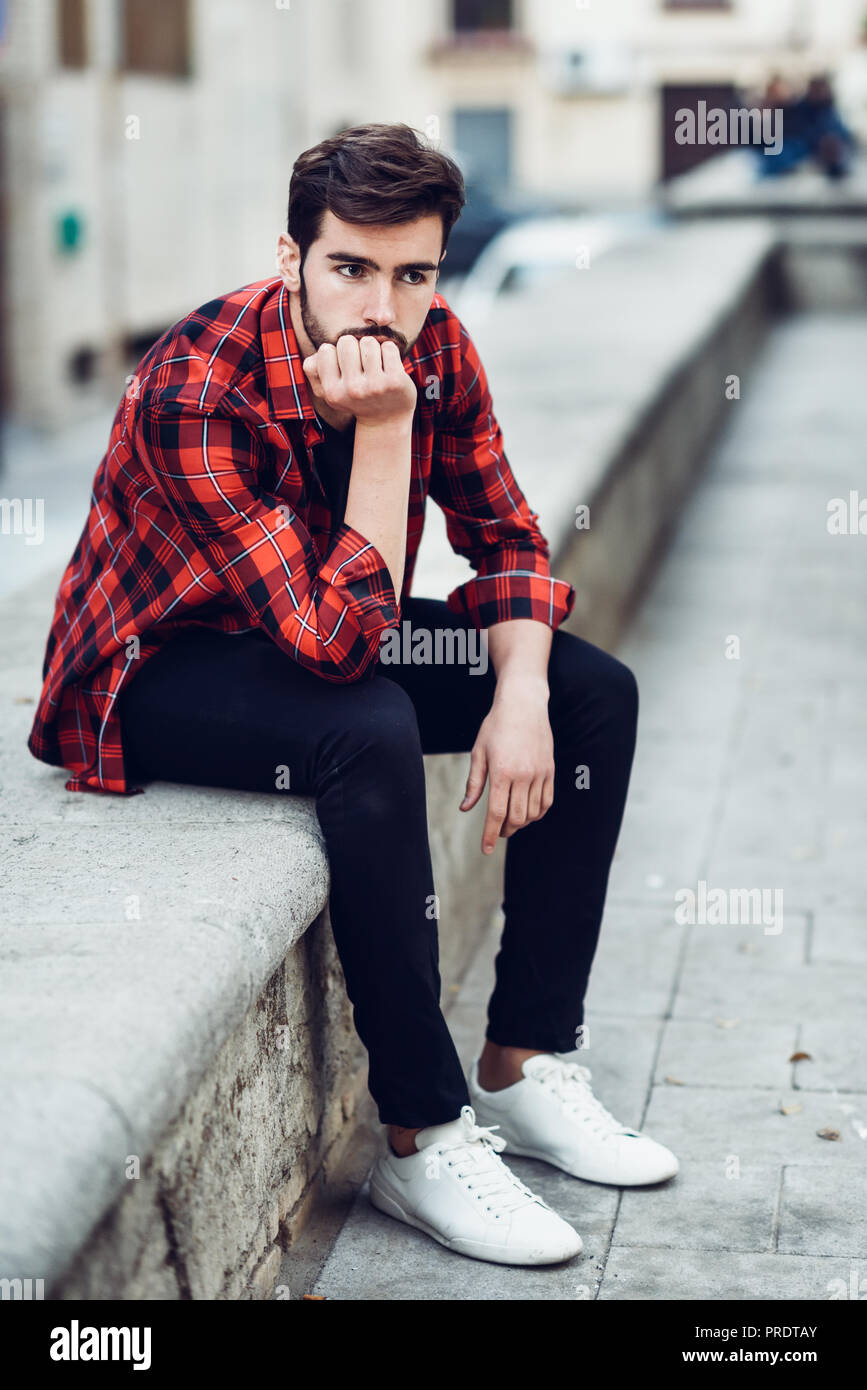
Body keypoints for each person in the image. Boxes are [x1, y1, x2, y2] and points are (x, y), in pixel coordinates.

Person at [28, 123, 678, 1268]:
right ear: (292, 260)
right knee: (364, 723)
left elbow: (508, 541)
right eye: (351, 268)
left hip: (311, 635)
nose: (384, 306)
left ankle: (526, 1062)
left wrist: (516, 690)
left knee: (590, 692)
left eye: (414, 273)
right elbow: (338, 649)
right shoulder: (198, 384)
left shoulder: (440, 348)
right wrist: (385, 428)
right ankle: (421, 1134)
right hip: (152, 670)